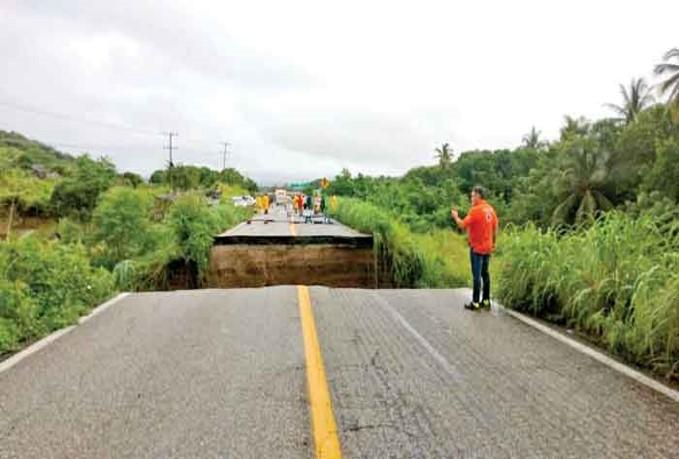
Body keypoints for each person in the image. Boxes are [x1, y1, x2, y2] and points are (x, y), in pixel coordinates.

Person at [451, 186, 498, 310]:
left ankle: (475, 302)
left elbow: (462, 225)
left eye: (472, 196)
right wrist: (493, 244)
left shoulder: (475, 210)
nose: (471, 198)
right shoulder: (491, 210)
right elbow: (495, 229)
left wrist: (455, 216)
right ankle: (486, 300)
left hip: (477, 248)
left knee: (477, 276)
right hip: (487, 247)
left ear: (478, 196)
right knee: (485, 274)